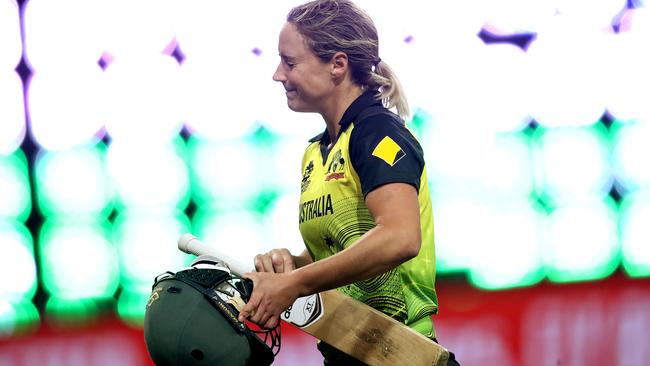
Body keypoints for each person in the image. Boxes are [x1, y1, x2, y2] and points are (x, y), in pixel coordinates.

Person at [237, 0, 459, 364]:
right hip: (346, 355)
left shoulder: (377, 133)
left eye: (290, 62)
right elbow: (344, 244)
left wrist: (296, 284)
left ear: (338, 65)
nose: (278, 75)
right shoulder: (317, 151)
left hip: (400, 358)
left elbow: (400, 237)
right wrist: (290, 264)